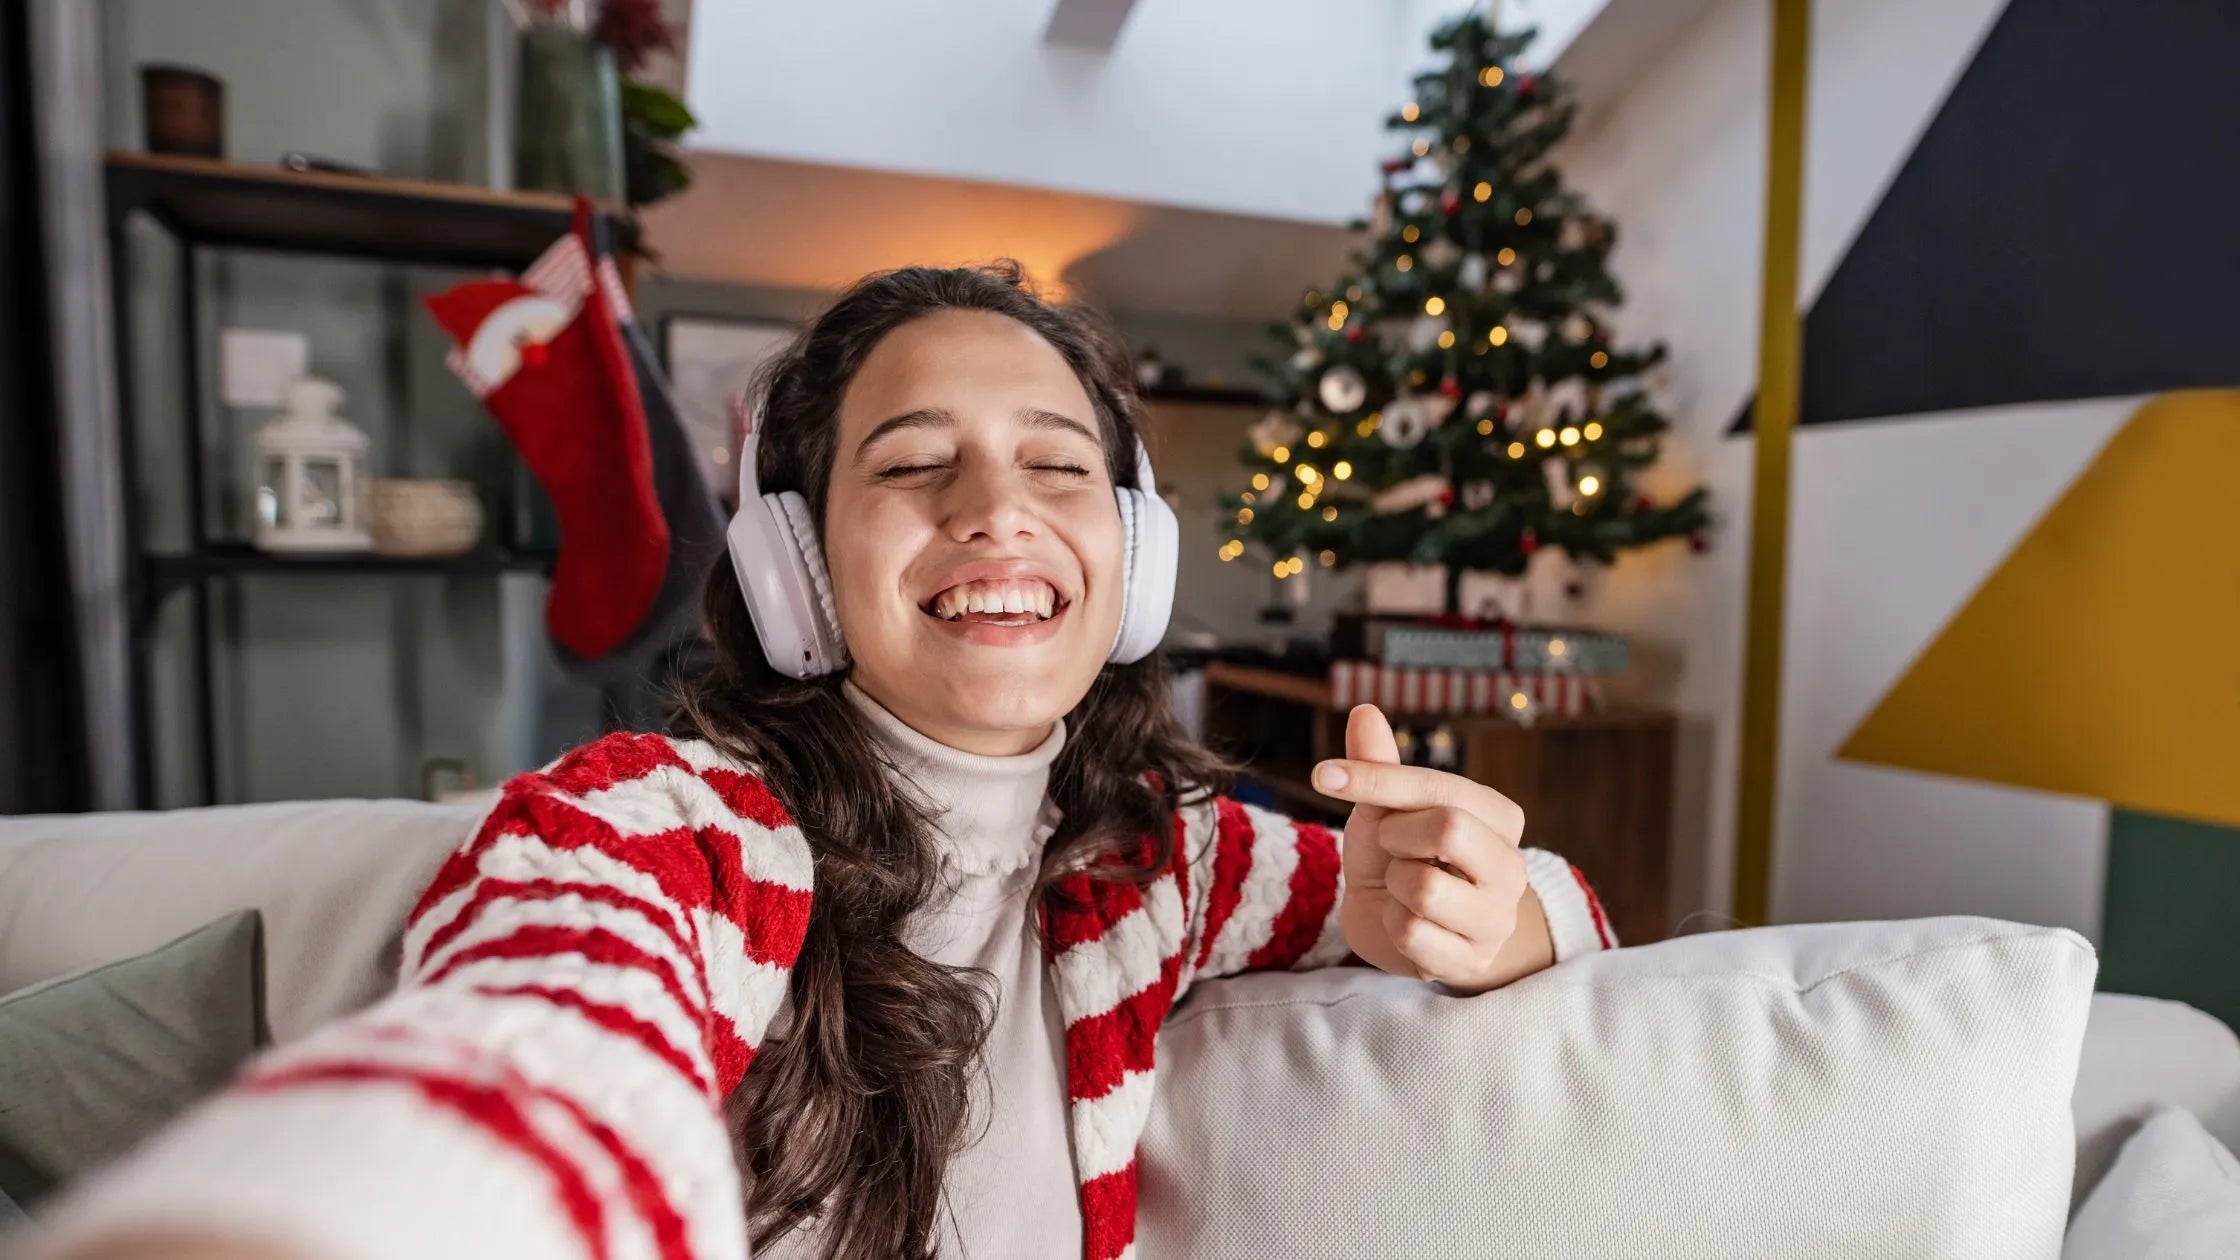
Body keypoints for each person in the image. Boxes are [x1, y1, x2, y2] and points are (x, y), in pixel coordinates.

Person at [31, 263, 1615, 1260]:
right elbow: (542, 1039)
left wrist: (1496, 912)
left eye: (1058, 466)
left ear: (1133, 560)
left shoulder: (1168, 856)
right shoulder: (659, 829)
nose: (998, 508)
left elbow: (1567, 915)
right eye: (916, 464)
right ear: (794, 567)